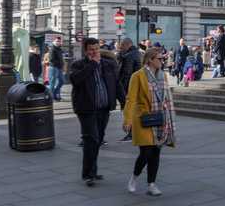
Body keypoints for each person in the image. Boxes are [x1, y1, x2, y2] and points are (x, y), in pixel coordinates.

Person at [123, 48, 176, 196]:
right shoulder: (137, 76)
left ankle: (151, 184)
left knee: (156, 152)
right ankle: (134, 178)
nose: (162, 61)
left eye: (163, 58)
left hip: (160, 117)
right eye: (159, 59)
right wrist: (127, 119)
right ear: (150, 60)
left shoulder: (163, 76)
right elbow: (131, 99)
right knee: (146, 153)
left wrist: (169, 116)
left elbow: (166, 97)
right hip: (143, 118)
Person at [69, 38, 119, 187]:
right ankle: (88, 174)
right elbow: (76, 80)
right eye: (91, 49)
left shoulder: (107, 64)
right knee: (91, 140)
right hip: (86, 109)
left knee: (98, 140)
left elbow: (116, 84)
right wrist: (92, 64)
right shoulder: (78, 65)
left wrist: (125, 102)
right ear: (85, 51)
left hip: (103, 108)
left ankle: (92, 170)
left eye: (97, 49)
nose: (95, 52)